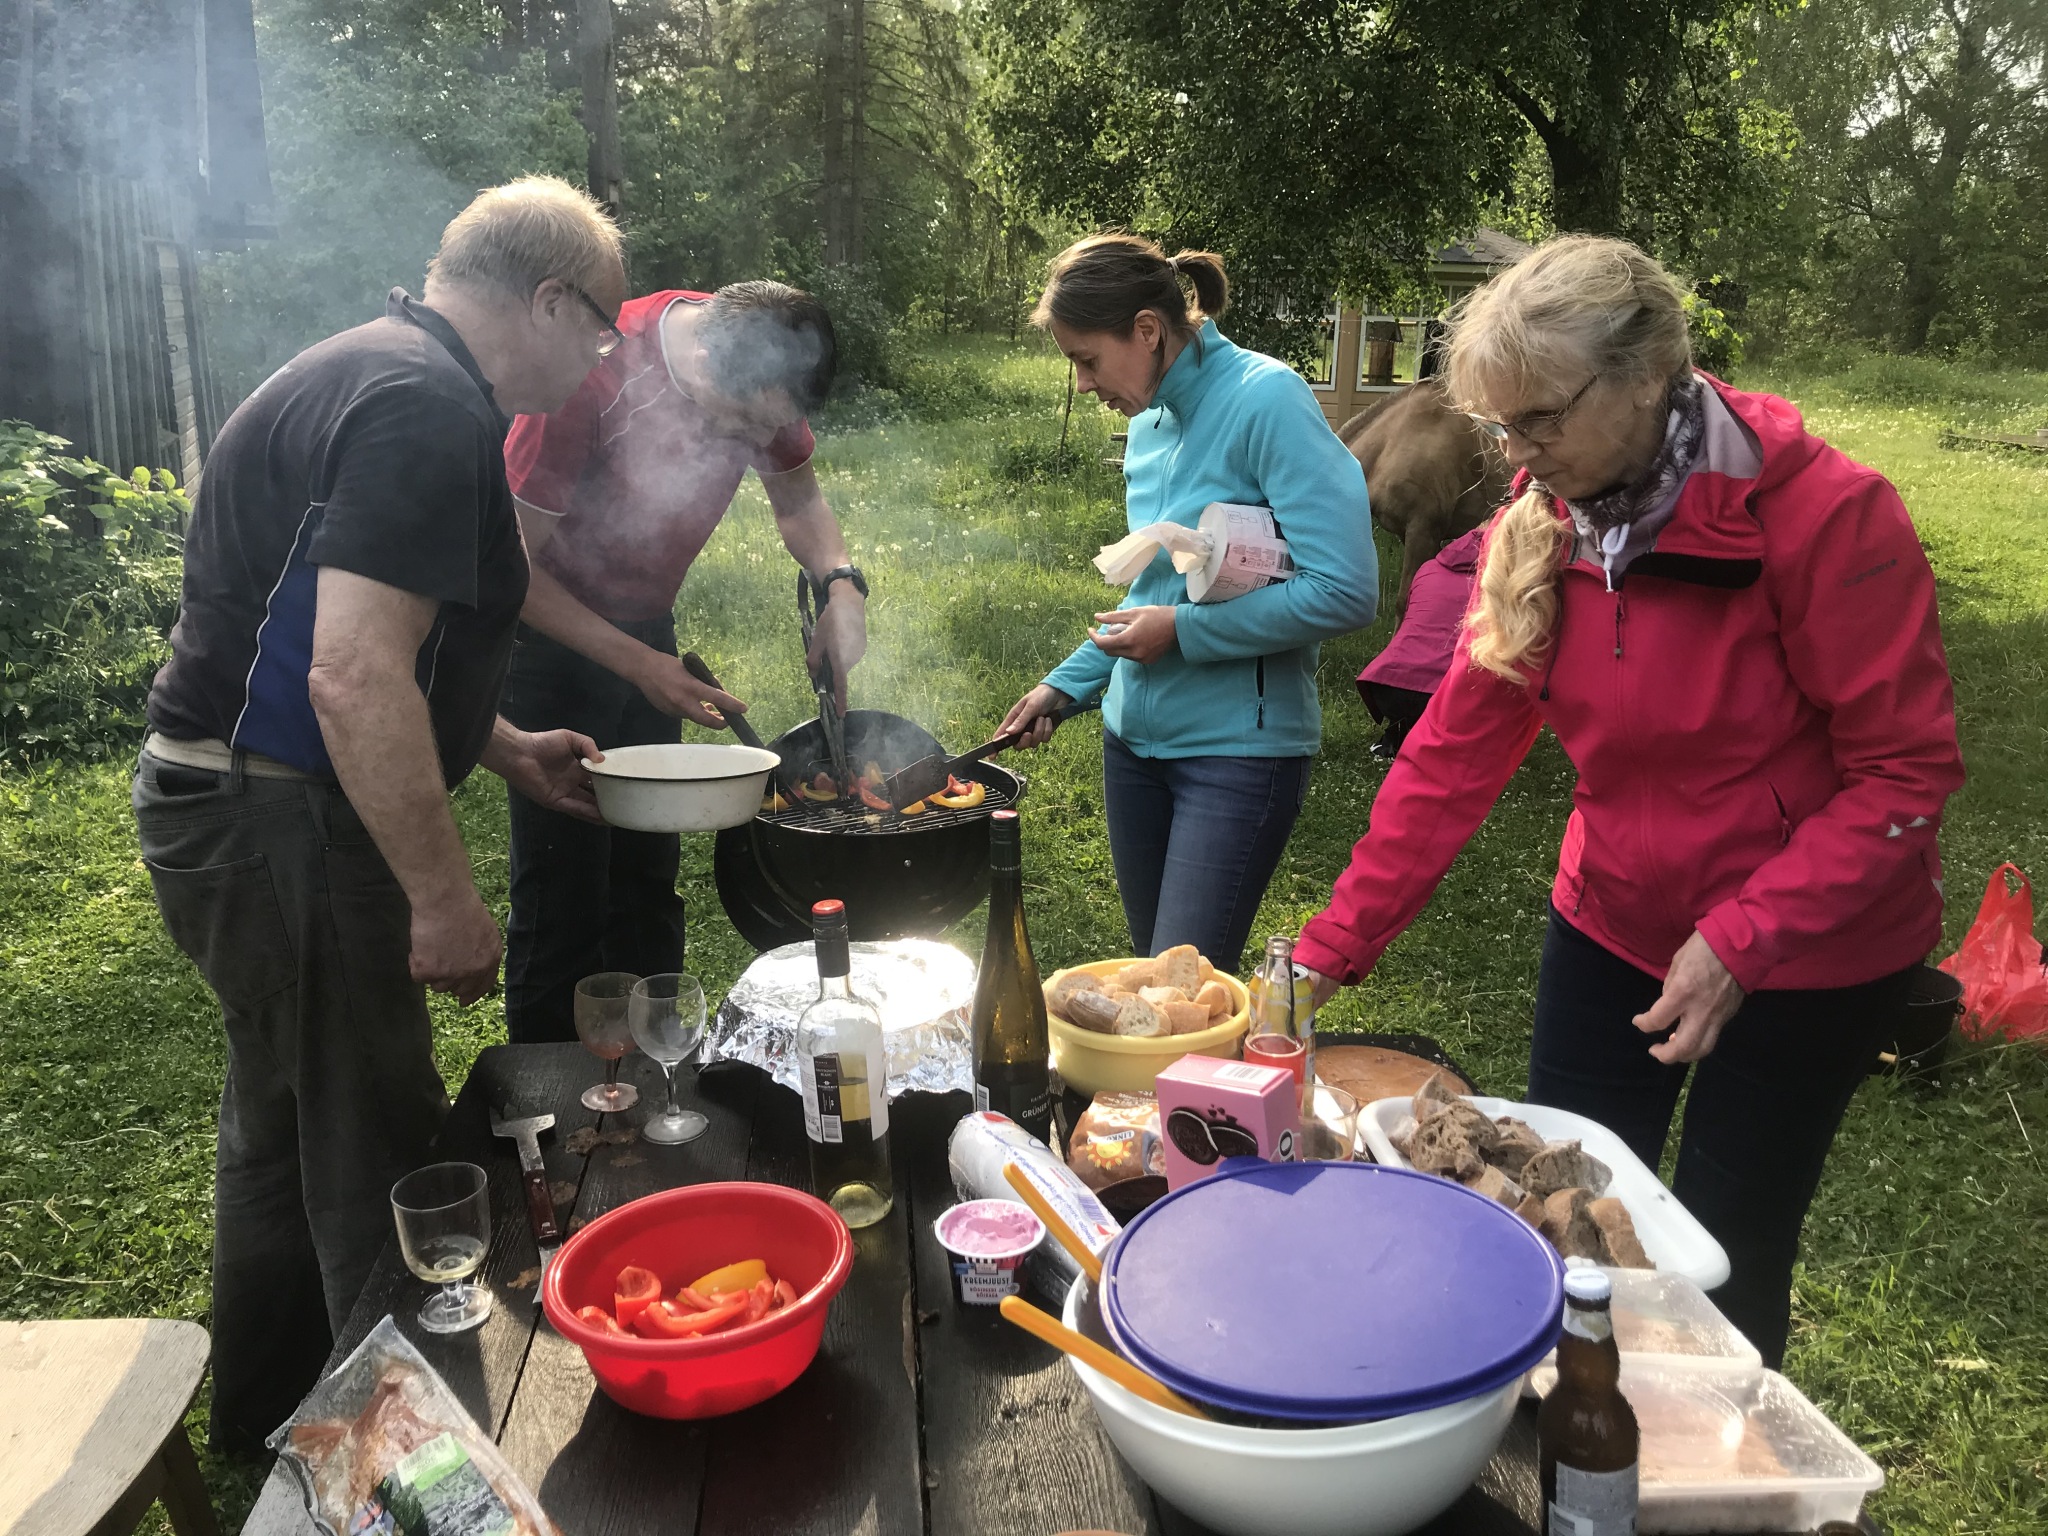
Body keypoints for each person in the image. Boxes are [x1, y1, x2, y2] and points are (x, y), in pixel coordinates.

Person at [1292, 235, 1964, 1366]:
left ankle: (1705, 1442)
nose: (1515, 456)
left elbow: (1904, 777)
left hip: (1811, 953)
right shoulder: (1545, 517)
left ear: (1648, 375)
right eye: (1499, 426)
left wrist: (1742, 938)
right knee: (1560, 1212)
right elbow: (1450, 758)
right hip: (1610, 919)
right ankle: (1578, 1426)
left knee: (1723, 1249)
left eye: (1539, 421)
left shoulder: (1828, 517)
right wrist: (1328, 948)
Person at [134, 176, 624, 1454]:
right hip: (276, 821)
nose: (599, 360)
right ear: (549, 299)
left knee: (285, 1115)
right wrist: (444, 900)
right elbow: (349, 676)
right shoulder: (423, 408)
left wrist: (498, 743)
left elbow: (357, 640)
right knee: (375, 1143)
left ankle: (269, 1411)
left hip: (233, 800)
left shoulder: (382, 366)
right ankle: (394, 1465)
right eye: (600, 329)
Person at [1000, 235, 1377, 973]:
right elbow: (1157, 592)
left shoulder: (1267, 399)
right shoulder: (1147, 424)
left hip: (1236, 755)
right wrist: (1067, 685)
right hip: (1131, 748)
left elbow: (1345, 590)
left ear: (1147, 330)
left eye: (1087, 359)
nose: (1083, 384)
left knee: (1180, 996)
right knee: (1157, 976)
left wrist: (1184, 633)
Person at [499, 281, 863, 1042]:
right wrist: (640, 665)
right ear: (700, 360)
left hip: (646, 631)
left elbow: (799, 502)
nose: (753, 441)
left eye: (768, 428)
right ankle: (547, 1087)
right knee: (565, 886)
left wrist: (841, 586)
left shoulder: (764, 366)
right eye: (740, 424)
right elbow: (506, 569)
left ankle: (659, 1061)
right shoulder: (592, 375)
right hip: (546, 640)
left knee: (647, 871)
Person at [1356, 524, 1484, 757]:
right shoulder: (1497, 584)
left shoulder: (1428, 568)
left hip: (1386, 685)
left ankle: (1396, 736)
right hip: (1444, 692)